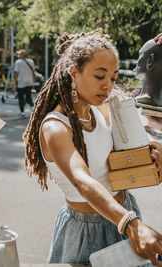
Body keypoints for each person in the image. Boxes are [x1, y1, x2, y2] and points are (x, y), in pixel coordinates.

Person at [22, 31, 162, 266]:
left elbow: (125, 154)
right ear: (74, 73)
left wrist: (153, 153)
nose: (108, 85)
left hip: (126, 211)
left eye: (114, 78)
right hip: (89, 231)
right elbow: (82, 181)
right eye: (100, 76)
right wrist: (132, 225)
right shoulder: (55, 127)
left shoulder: (102, 109)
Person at [14, 49, 36, 116]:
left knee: (21, 97)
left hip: (21, 82)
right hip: (29, 82)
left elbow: (16, 73)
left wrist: (15, 83)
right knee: (28, 96)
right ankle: (32, 107)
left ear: (21, 55)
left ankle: (22, 112)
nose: (18, 55)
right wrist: (33, 82)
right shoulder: (31, 61)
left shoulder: (18, 62)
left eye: (18, 54)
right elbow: (33, 72)